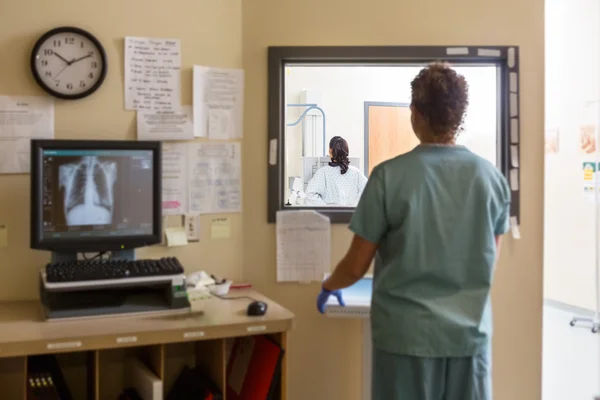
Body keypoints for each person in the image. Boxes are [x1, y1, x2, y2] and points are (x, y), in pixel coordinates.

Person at [316, 62, 511, 400]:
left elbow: (355, 266)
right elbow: (488, 261)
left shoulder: (389, 177)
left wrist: (328, 286)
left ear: (416, 113)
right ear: (459, 115)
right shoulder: (490, 178)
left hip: (405, 340)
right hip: (468, 338)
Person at [305, 136, 368, 206]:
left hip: (331, 216)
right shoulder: (356, 173)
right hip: (351, 214)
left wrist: (326, 209)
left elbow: (310, 194)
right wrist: (355, 207)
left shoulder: (323, 173)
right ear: (346, 152)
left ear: (330, 151)